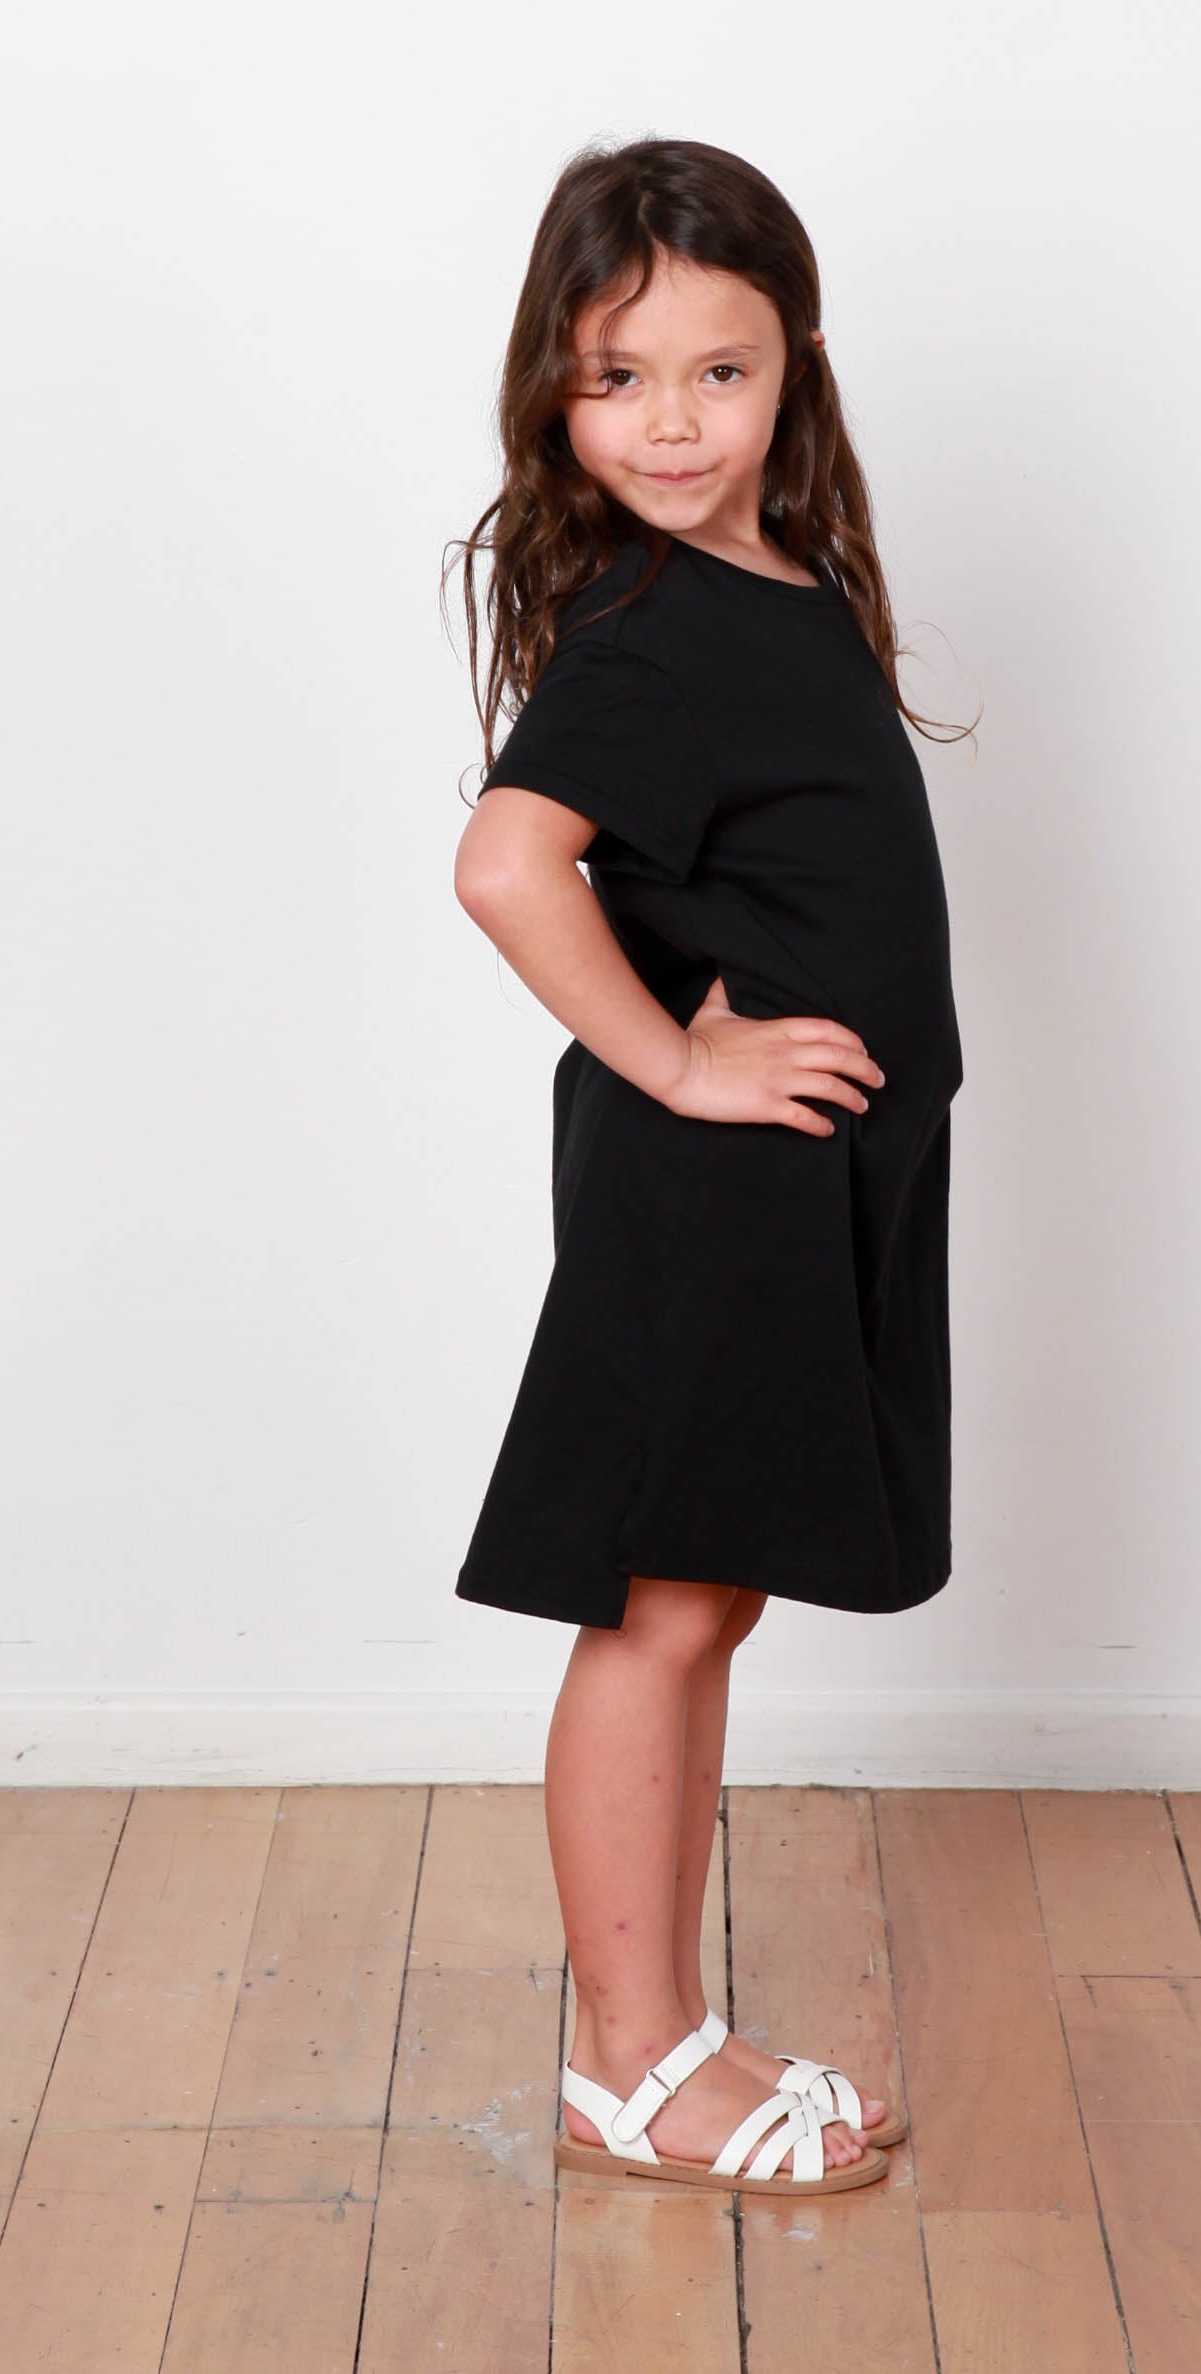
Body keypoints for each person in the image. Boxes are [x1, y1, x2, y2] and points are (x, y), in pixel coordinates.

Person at [448, 136, 967, 2196]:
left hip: (793, 1194)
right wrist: (674, 1055)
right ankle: (628, 2057)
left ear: (795, 368)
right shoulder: (652, 632)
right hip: (707, 1197)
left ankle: (666, 2030)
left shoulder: (777, 587)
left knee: (705, 1605)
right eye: (617, 378)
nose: (670, 423)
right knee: (658, 1615)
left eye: (717, 373)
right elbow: (508, 864)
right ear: (556, 394)